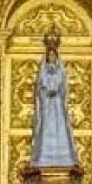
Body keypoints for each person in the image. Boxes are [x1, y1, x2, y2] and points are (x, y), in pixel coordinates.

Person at [29, 30, 78, 169]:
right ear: (46, 57)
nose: (51, 57)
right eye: (49, 55)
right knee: (45, 130)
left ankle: (64, 157)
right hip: (47, 106)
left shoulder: (60, 70)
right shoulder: (43, 70)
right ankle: (43, 156)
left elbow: (63, 88)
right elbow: (39, 88)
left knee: (60, 129)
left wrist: (57, 93)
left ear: (56, 56)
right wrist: (44, 93)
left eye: (53, 55)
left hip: (57, 106)